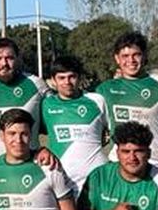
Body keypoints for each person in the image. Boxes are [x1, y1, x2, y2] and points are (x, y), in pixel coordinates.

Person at [95, 31, 158, 169]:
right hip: (119, 165)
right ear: (117, 58)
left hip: (157, 164)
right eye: (125, 56)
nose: (131, 61)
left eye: (136, 55)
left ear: (144, 56)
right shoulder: (105, 90)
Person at [37, 55, 110, 188]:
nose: (67, 82)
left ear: (79, 77)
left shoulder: (97, 100)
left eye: (72, 77)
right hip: (62, 179)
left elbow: (111, 131)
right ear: (53, 80)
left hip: (98, 178)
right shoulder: (46, 105)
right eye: (61, 78)